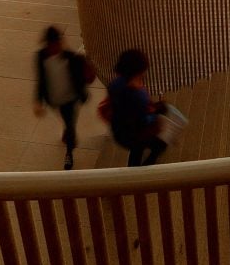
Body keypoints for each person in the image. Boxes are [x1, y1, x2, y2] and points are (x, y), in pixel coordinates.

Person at [34, 26, 94, 171]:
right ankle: (68, 131)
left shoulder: (72, 58)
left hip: (70, 99)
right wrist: (38, 100)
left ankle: (69, 153)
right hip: (54, 99)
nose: (54, 48)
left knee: (70, 124)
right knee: (65, 119)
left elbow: (83, 78)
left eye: (56, 44)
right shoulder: (41, 57)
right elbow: (41, 80)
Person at [105, 49, 166, 167]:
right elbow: (143, 120)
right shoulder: (138, 96)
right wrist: (156, 112)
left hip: (119, 129)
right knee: (160, 145)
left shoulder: (115, 84)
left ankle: (133, 170)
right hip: (135, 133)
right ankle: (145, 167)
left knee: (137, 150)